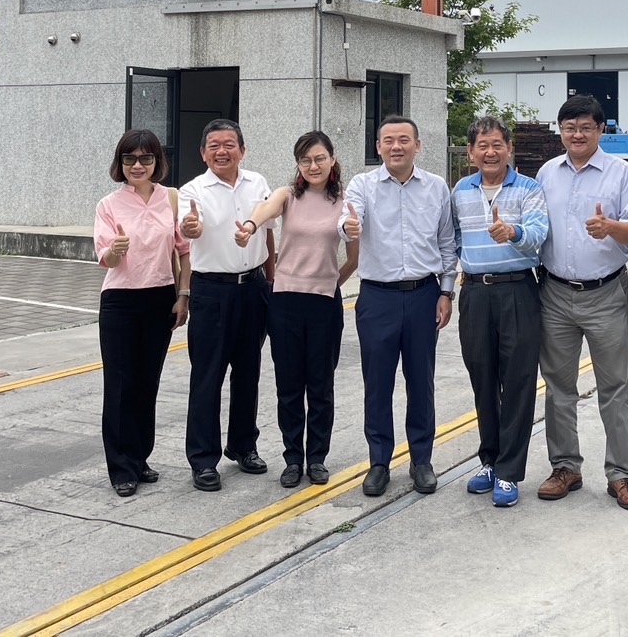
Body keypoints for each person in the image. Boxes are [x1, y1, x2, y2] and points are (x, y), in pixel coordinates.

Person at [535, 95, 628, 512]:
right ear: (560, 131)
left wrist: (610, 227)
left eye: (586, 127)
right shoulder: (546, 173)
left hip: (605, 293)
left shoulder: (622, 173)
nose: (577, 134)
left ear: (601, 130)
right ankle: (565, 467)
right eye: (570, 127)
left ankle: (621, 474)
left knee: (614, 387)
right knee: (558, 387)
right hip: (554, 292)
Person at [340, 115, 456, 498]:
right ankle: (379, 462)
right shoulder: (362, 185)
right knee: (378, 384)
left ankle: (421, 460)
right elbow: (348, 217)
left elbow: (447, 244)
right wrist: (348, 228)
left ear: (417, 145)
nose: (396, 146)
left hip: (424, 295)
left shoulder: (436, 187)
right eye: (388, 140)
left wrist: (446, 292)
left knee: (421, 381)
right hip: (377, 297)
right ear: (378, 147)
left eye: (404, 139)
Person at [236, 131, 358, 488]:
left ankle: (317, 459)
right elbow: (265, 209)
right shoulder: (288, 196)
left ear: (332, 159)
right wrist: (249, 226)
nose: (313, 165)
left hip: (324, 304)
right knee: (288, 387)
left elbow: (354, 258)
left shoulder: (346, 202)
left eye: (319, 158)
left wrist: (329, 282)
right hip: (285, 301)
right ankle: (292, 459)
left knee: (320, 386)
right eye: (305, 160)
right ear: (298, 165)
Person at [451, 116, 549, 509]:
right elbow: (454, 239)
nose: (490, 152)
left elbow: (539, 233)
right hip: (475, 294)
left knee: (519, 382)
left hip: (517, 291)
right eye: (482, 145)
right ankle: (489, 461)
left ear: (509, 148)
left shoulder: (529, 188)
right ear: (471, 152)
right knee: (483, 378)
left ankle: (509, 471)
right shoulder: (460, 191)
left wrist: (513, 232)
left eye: (497, 145)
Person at [177, 118, 275, 492]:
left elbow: (268, 234)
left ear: (242, 150)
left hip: (253, 288)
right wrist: (191, 227)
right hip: (211, 293)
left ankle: (243, 446)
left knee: (248, 372)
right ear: (203, 153)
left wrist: (272, 281)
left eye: (229, 144)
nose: (222, 151)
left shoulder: (258, 183)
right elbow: (191, 227)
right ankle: (203, 459)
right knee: (208, 376)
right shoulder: (192, 191)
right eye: (214, 145)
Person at [92, 128, 190, 497]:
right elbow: (106, 258)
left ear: (156, 162)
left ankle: (139, 458)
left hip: (160, 297)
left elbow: (184, 251)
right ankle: (121, 469)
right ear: (120, 163)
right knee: (120, 385)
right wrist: (116, 249)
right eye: (129, 159)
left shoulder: (171, 199)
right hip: (120, 301)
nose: (137, 165)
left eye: (145, 158)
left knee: (148, 384)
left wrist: (183, 296)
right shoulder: (109, 205)